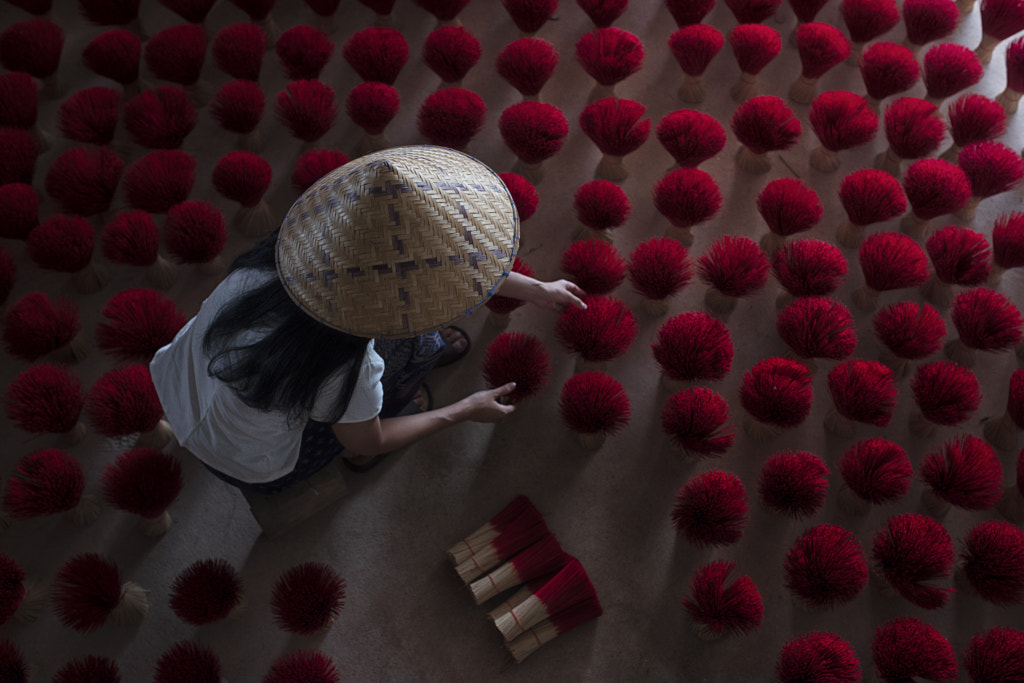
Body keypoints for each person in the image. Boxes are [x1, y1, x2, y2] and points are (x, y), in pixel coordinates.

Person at [149, 147, 585, 494]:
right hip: (249, 461)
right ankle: (399, 393)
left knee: (404, 349)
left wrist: (537, 288)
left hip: (183, 387)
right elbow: (367, 440)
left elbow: (448, 264)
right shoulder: (346, 365)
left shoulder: (275, 261)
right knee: (418, 346)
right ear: (389, 292)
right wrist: (462, 410)